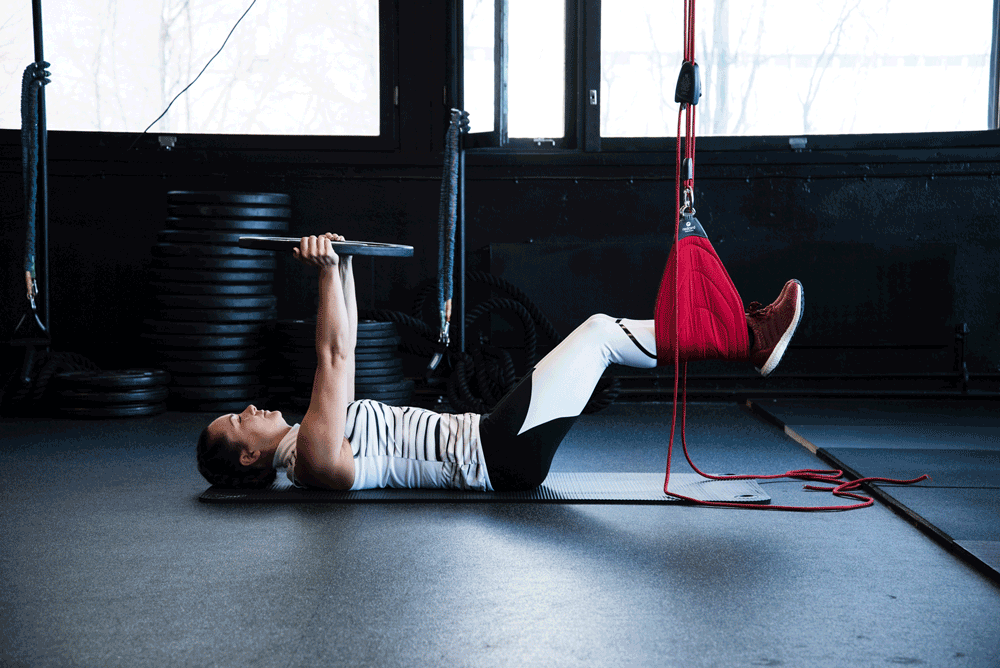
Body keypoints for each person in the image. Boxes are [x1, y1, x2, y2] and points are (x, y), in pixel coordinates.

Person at [197, 234, 803, 492]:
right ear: (248, 455)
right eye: (238, 420)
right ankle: (743, 340)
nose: (248, 408)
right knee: (598, 334)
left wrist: (344, 263)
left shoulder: (311, 439)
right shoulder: (311, 459)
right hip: (497, 454)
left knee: (600, 336)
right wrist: (327, 272)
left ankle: (742, 339)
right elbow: (333, 355)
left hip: (494, 439)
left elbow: (345, 346)